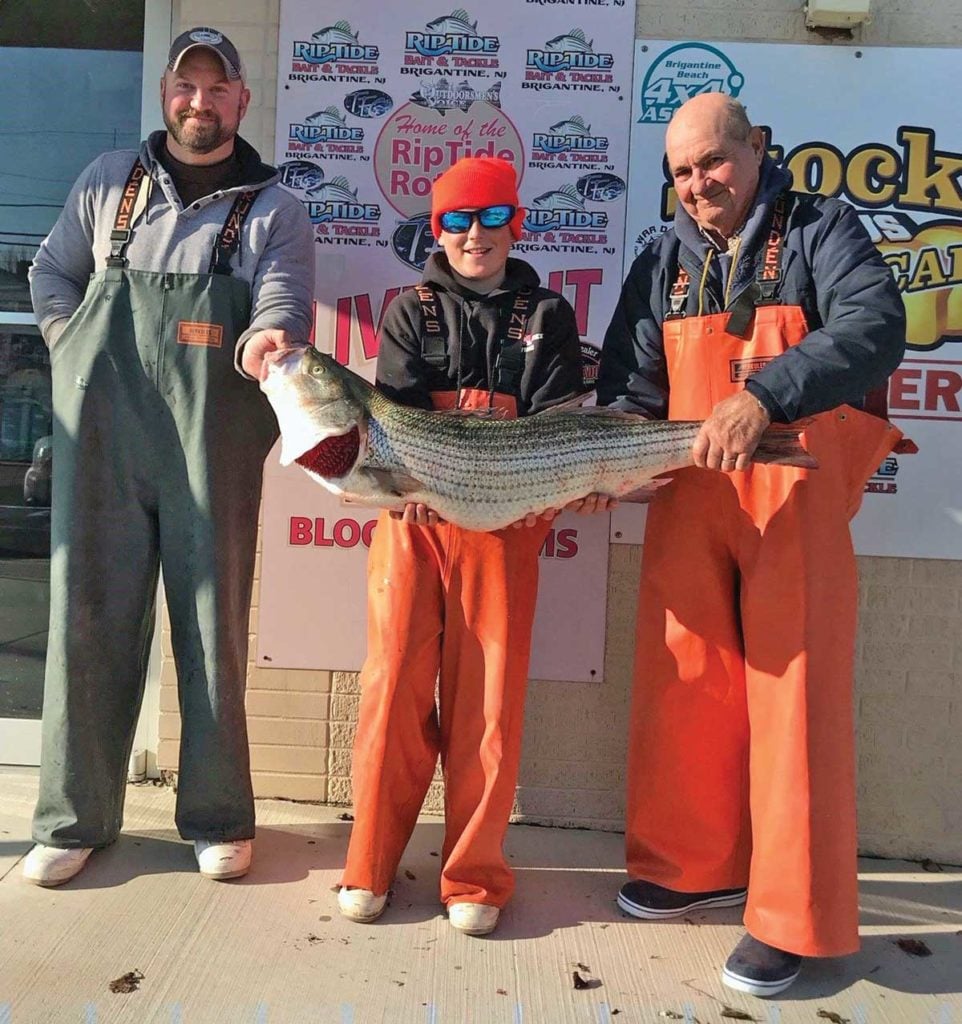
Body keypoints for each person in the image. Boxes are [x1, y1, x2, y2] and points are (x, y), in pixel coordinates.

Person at [598, 94, 906, 996]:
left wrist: (765, 395)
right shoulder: (660, 259)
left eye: (713, 163)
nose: (699, 185)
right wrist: (606, 453)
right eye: (683, 173)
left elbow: (874, 327)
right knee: (683, 685)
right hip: (688, 497)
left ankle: (793, 922)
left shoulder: (822, 229)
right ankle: (693, 867)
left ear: (756, 149)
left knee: (794, 705)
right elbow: (630, 382)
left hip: (793, 495)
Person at [23, 27, 315, 886]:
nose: (199, 101)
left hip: (209, 440)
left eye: (215, 87)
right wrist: (68, 344)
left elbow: (283, 299)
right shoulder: (107, 185)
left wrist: (268, 339)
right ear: (165, 94)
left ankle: (218, 817)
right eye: (185, 86)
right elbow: (51, 274)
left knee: (213, 623)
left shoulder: (273, 209)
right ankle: (75, 819)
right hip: (102, 438)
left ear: (240, 101)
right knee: (88, 616)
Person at [337, 156, 588, 936]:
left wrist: (553, 488)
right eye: (454, 220)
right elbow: (395, 424)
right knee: (392, 694)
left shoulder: (550, 311)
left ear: (517, 221)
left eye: (488, 217)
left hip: (508, 525)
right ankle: (369, 866)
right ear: (435, 229)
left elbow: (562, 428)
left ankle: (473, 877)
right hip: (414, 527)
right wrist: (405, 487)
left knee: (488, 708)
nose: (472, 234)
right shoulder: (410, 312)